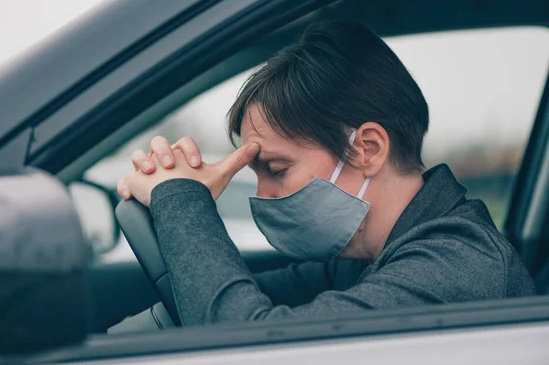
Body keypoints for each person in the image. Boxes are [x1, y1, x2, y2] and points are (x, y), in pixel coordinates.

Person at [117, 19, 536, 326]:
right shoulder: (361, 258)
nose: (261, 194)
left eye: (277, 169)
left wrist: (180, 198)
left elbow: (247, 342)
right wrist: (167, 198)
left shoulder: (454, 263)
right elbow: (234, 295)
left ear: (367, 149)